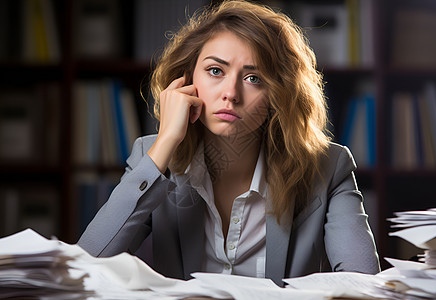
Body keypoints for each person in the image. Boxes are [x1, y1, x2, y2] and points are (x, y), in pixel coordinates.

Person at [78, 0, 380, 286]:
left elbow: (364, 282)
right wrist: (167, 140)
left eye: (254, 78)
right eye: (215, 71)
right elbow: (86, 264)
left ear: (279, 95)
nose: (231, 93)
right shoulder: (153, 156)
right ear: (186, 79)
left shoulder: (328, 167)